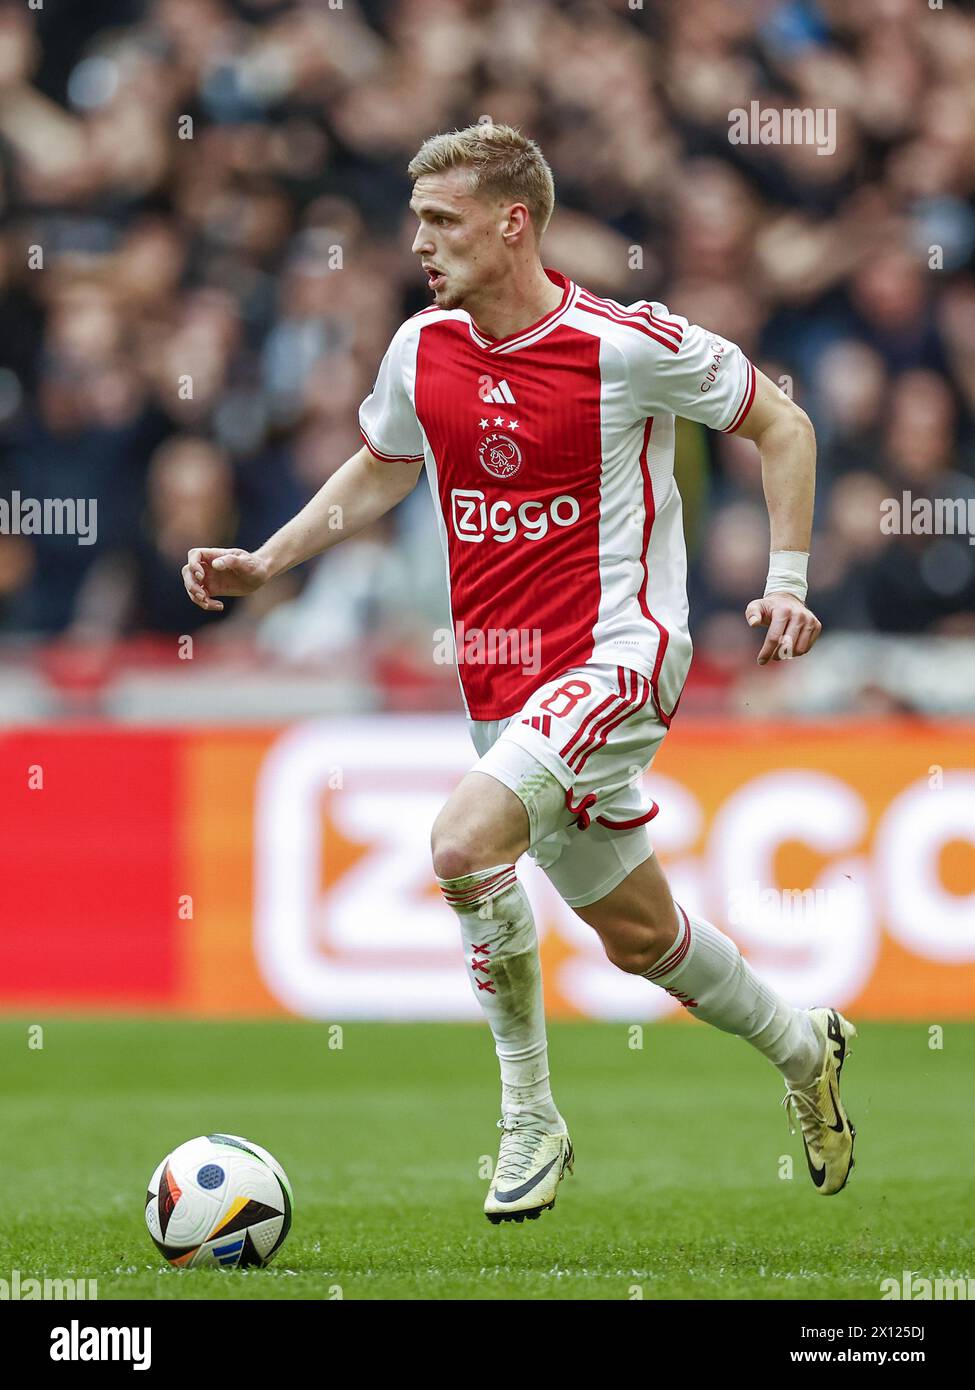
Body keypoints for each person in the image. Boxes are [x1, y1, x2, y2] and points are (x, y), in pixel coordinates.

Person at [182, 123, 856, 1223]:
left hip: (622, 655)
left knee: (460, 842)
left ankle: (531, 1116)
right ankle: (802, 1045)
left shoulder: (626, 343)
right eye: (416, 221)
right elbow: (383, 466)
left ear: (513, 223)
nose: (419, 243)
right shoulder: (422, 349)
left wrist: (786, 577)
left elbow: (782, 423)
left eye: (441, 221)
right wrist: (270, 558)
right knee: (641, 937)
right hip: (501, 691)